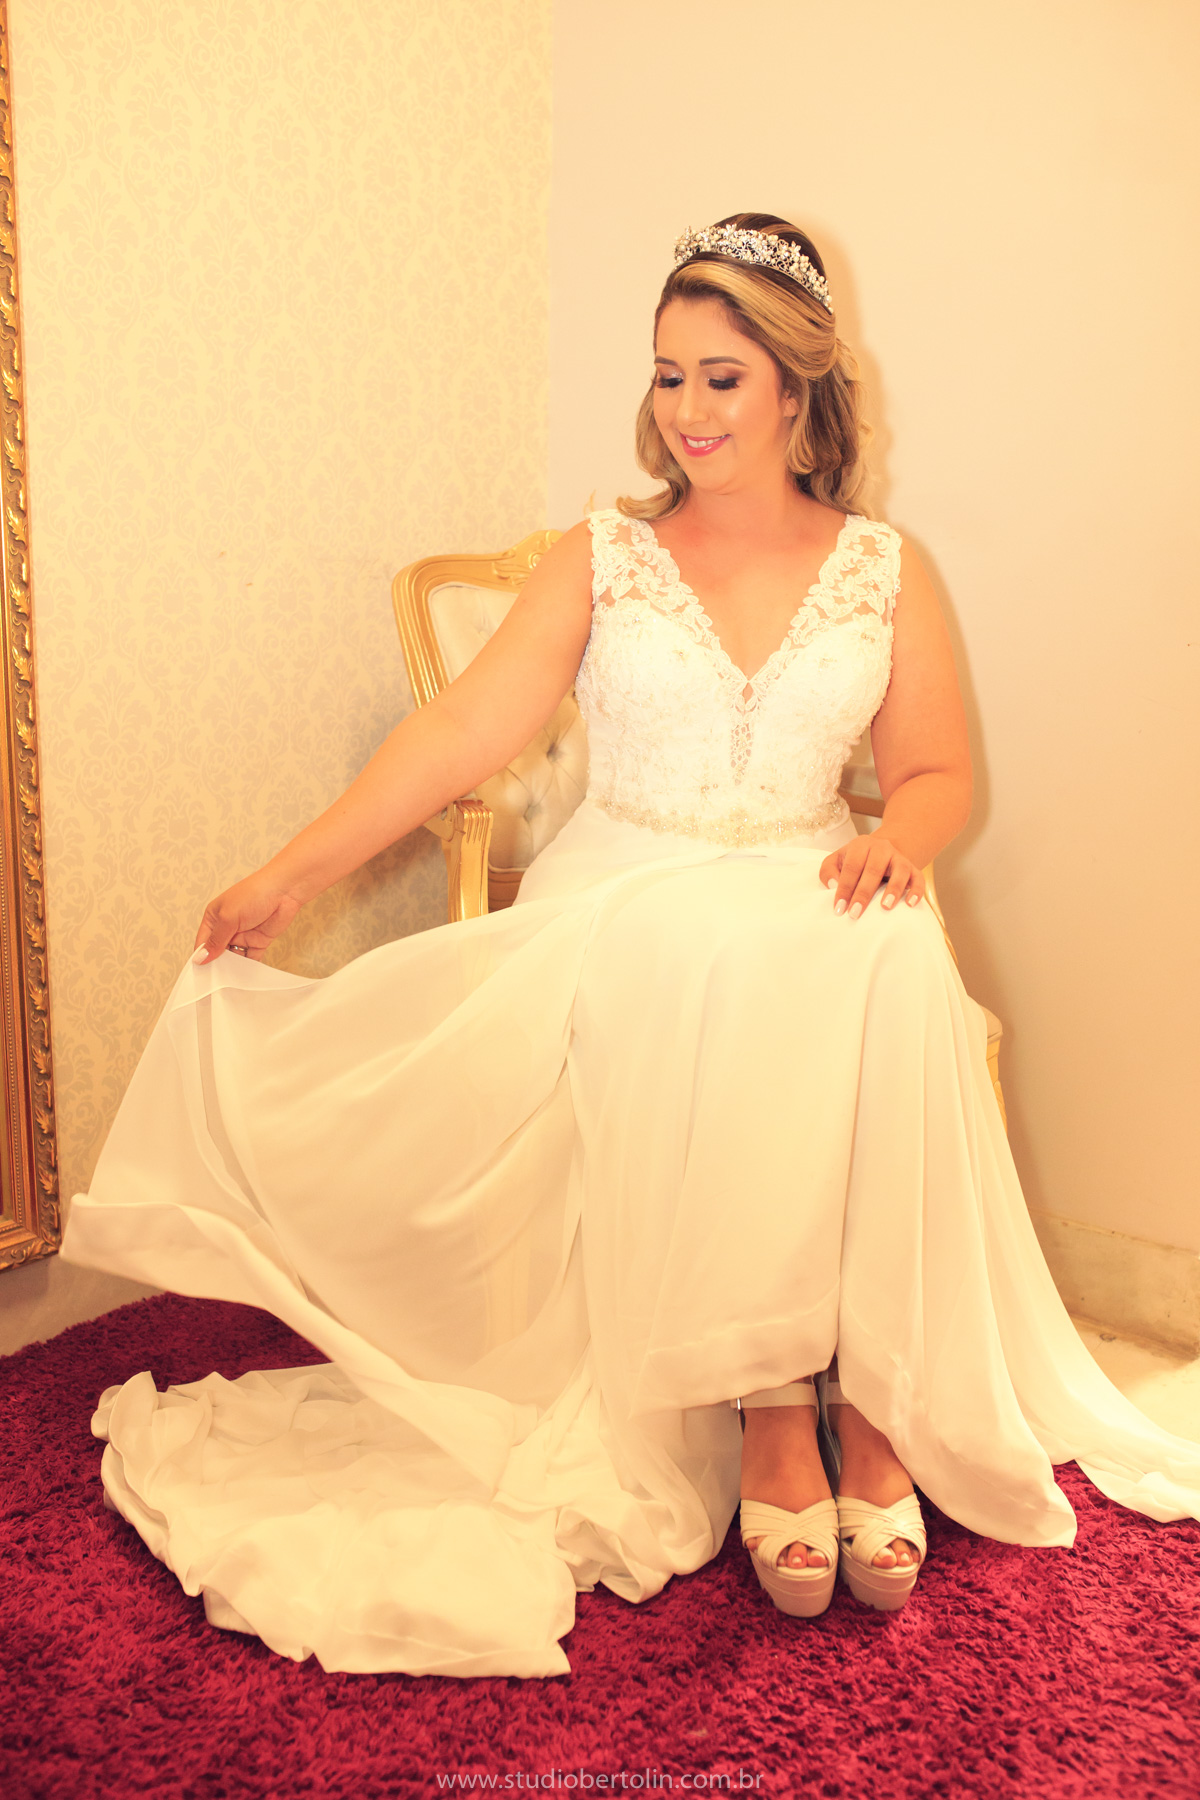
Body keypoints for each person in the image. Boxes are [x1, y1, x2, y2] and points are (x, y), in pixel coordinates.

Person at [62, 214, 1200, 1677]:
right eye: (669, 376)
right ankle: (775, 1408)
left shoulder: (881, 565)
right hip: (632, 884)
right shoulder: (606, 554)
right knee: (721, 962)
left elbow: (935, 774)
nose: (688, 410)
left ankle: (879, 1404)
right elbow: (463, 730)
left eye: (723, 378)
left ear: (797, 387)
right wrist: (292, 871)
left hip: (811, 875)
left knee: (886, 951)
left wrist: (900, 843)